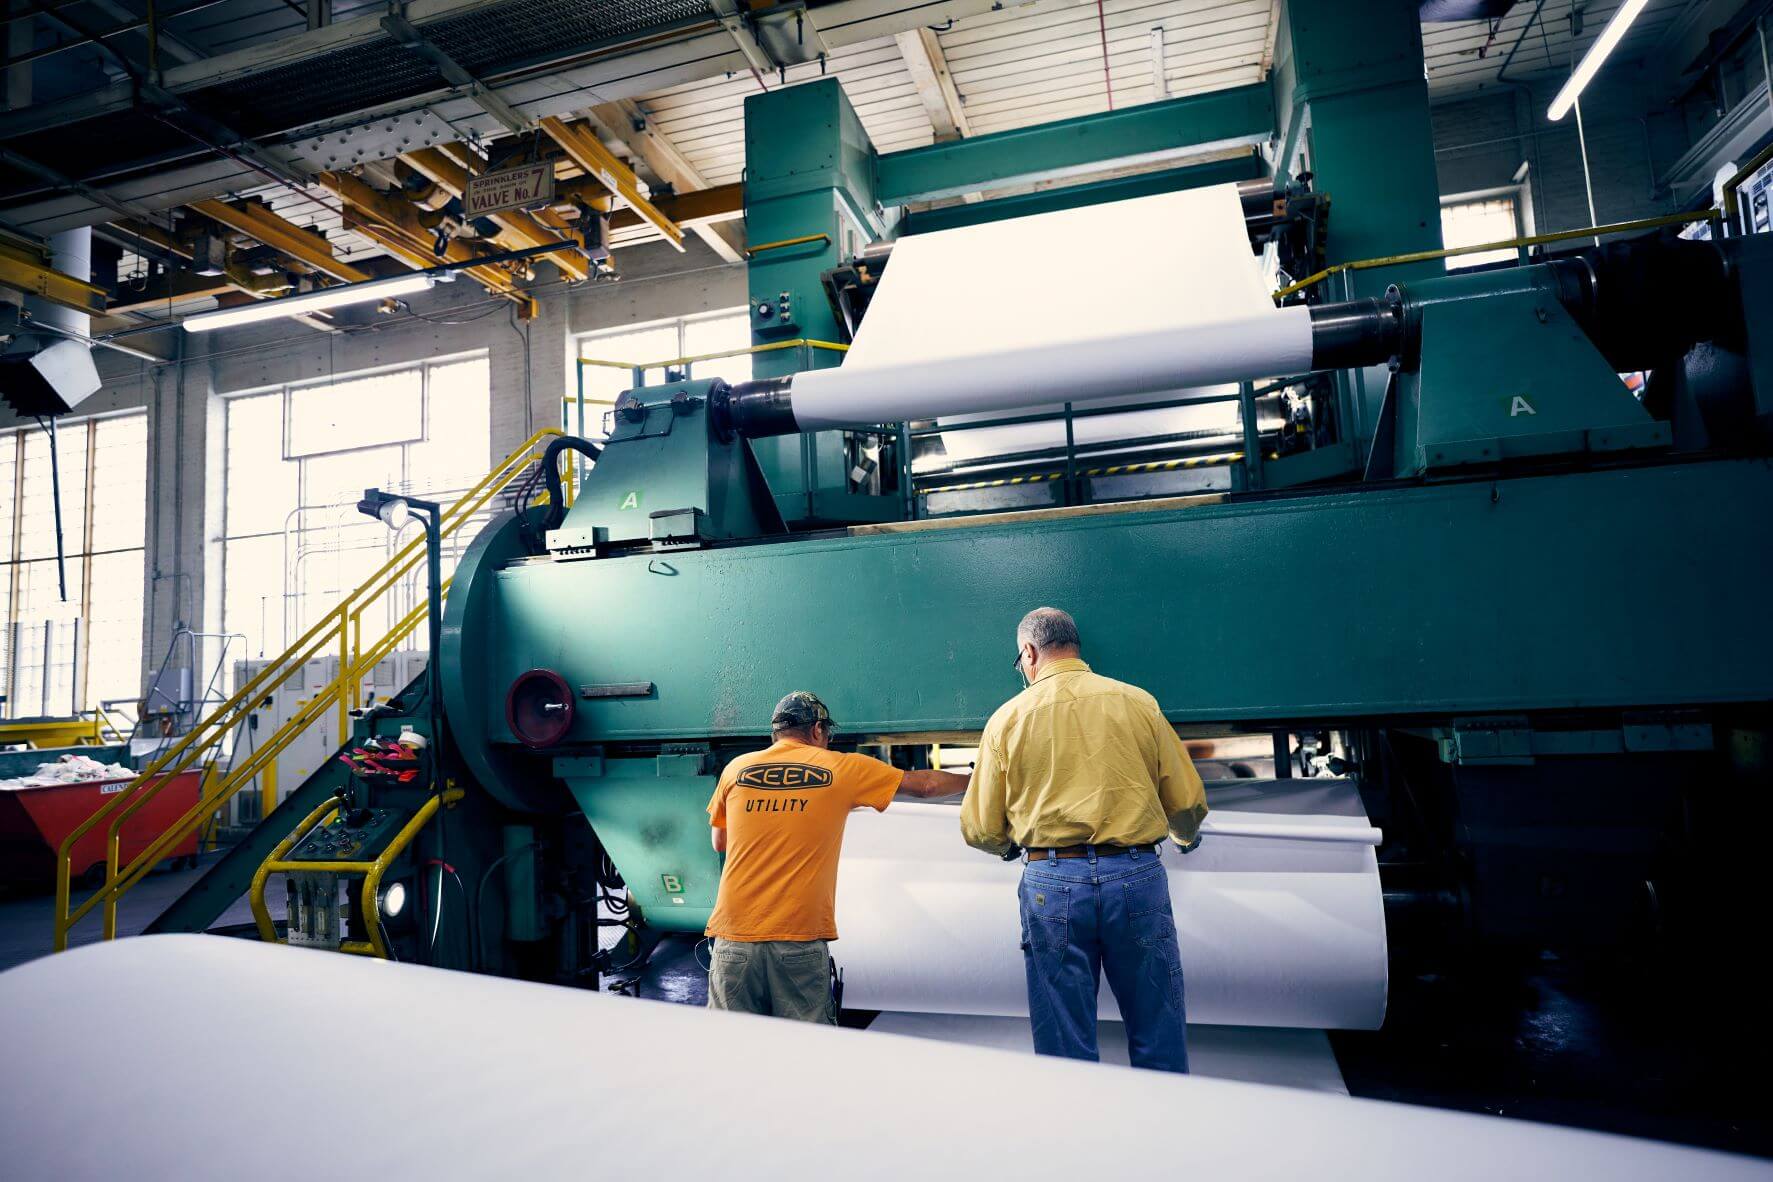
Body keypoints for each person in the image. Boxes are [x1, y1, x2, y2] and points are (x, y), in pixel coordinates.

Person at [960, 607, 1207, 1072]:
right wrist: (1184, 839)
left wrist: (1011, 848)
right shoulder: (1138, 702)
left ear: (1029, 653)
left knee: (1064, 1048)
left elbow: (980, 828)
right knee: (1158, 1028)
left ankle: (1077, 1136)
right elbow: (1188, 802)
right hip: (1137, 875)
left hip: (1050, 884)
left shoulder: (1007, 719)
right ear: (1074, 645)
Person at [705, 691, 969, 1023]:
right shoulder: (841, 768)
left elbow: (719, 841)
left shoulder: (735, 769)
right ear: (817, 730)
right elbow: (926, 785)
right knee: (808, 1052)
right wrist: (978, 779)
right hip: (797, 939)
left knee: (730, 1050)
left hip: (733, 939)